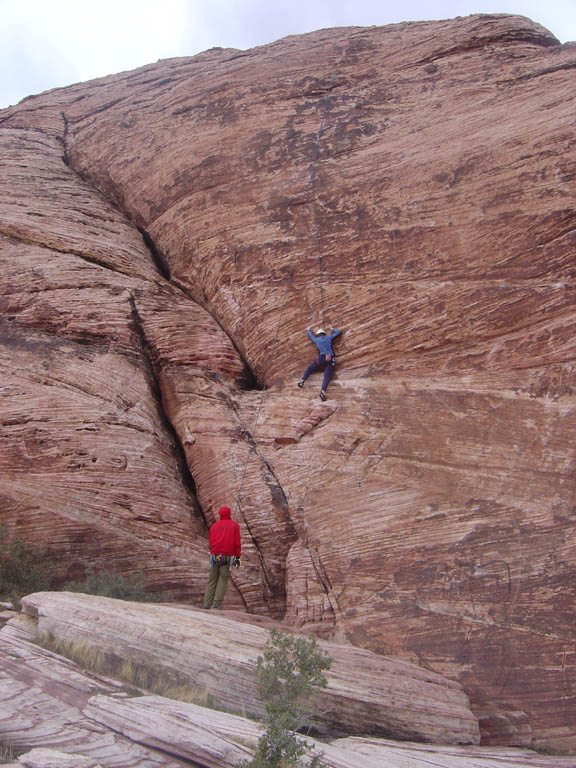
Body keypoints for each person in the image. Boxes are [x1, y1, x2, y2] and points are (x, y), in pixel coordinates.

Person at [203, 505, 242, 610]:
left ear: (220, 514)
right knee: (223, 579)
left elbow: (211, 541)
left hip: (215, 556)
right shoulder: (234, 526)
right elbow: (236, 543)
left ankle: (207, 603)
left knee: (212, 579)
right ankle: (217, 604)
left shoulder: (214, 526)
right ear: (229, 514)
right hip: (227, 556)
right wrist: (238, 557)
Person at [297, 326, 341, 400]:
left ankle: (302, 381)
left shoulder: (316, 340)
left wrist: (308, 330)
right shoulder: (328, 338)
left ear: (318, 335)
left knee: (310, 368)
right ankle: (322, 392)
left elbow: (311, 336)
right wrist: (332, 328)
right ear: (324, 334)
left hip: (321, 358)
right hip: (330, 359)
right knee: (327, 376)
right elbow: (338, 332)